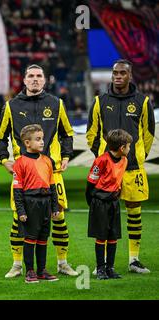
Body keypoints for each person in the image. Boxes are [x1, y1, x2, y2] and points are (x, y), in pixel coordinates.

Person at [0, 64, 78, 278]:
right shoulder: (11, 106)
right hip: (23, 173)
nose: (34, 79)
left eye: (39, 76)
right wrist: (4, 160)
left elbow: (67, 133)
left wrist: (66, 156)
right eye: (30, 76)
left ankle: (62, 263)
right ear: (24, 80)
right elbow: (0, 137)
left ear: (45, 80)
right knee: (18, 218)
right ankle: (17, 265)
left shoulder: (56, 104)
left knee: (58, 217)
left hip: (52, 172)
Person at [86, 59, 155, 273]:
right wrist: (104, 158)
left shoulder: (143, 102)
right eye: (115, 73)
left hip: (133, 168)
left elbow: (148, 134)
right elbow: (91, 134)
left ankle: (133, 260)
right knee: (106, 217)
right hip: (108, 171)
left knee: (134, 213)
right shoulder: (100, 101)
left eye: (122, 73)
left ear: (130, 76)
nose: (117, 76)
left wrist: (138, 155)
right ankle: (104, 264)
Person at [13, 124, 60, 284]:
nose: (42, 142)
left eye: (42, 139)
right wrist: (21, 211)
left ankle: (41, 270)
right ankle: (30, 271)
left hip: (45, 203)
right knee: (30, 238)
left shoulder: (47, 160)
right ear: (27, 143)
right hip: (30, 203)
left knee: (43, 238)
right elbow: (17, 190)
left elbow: (52, 186)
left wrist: (55, 207)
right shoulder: (20, 163)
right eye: (38, 139)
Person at [86, 129, 132, 280]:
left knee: (113, 236)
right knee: (101, 236)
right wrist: (92, 203)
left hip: (113, 202)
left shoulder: (124, 161)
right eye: (128, 146)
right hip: (100, 202)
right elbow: (90, 183)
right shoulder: (101, 160)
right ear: (121, 148)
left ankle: (110, 268)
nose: (129, 149)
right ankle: (100, 269)